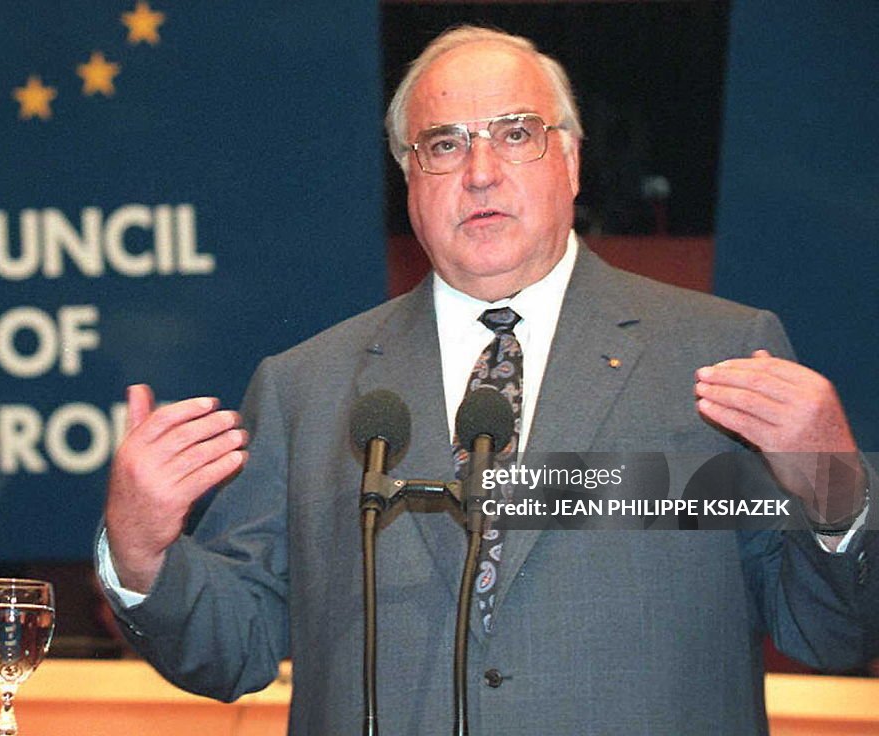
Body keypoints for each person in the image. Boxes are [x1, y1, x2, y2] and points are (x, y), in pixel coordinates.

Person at [98, 27, 876, 735]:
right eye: (443, 145)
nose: (478, 173)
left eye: (515, 134)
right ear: (409, 177)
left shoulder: (717, 352)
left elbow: (832, 632)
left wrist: (832, 480)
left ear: (571, 158)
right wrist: (141, 554)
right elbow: (235, 647)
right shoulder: (308, 387)